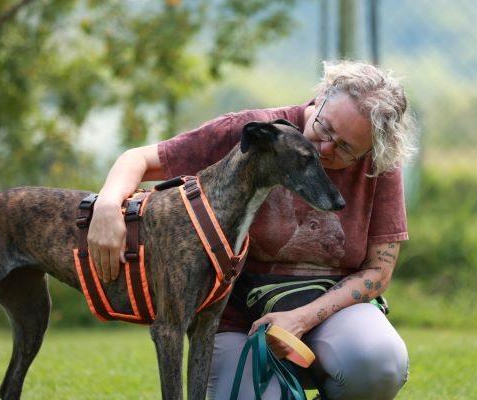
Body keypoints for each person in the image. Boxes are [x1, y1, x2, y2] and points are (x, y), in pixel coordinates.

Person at [88, 60, 415, 399]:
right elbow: (137, 159)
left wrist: (299, 319)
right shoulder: (253, 134)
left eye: (345, 148)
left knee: (379, 363)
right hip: (236, 323)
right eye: (325, 128)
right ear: (320, 98)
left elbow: (378, 271)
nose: (325, 148)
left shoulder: (380, 164)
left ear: (370, 151)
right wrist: (109, 204)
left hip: (331, 314)